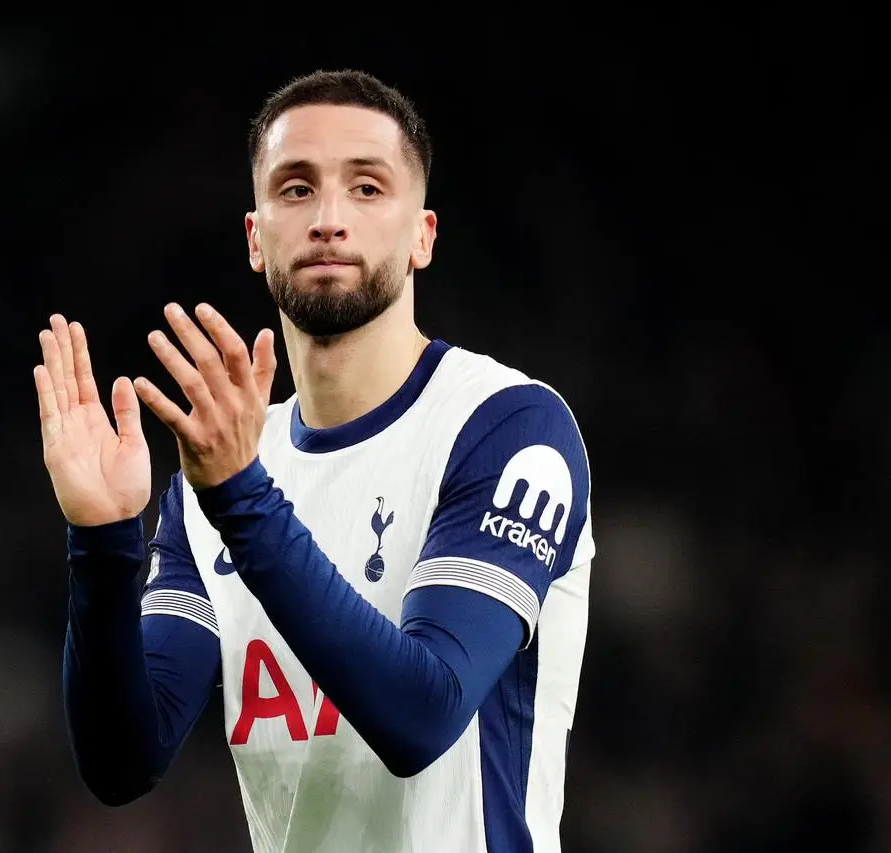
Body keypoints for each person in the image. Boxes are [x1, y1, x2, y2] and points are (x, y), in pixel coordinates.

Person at [33, 69, 595, 853]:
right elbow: (124, 760)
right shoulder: (218, 473)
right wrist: (100, 544)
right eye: (296, 189)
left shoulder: (506, 427)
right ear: (257, 238)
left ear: (422, 235)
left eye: (367, 188)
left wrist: (240, 495)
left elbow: (420, 714)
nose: (330, 219)